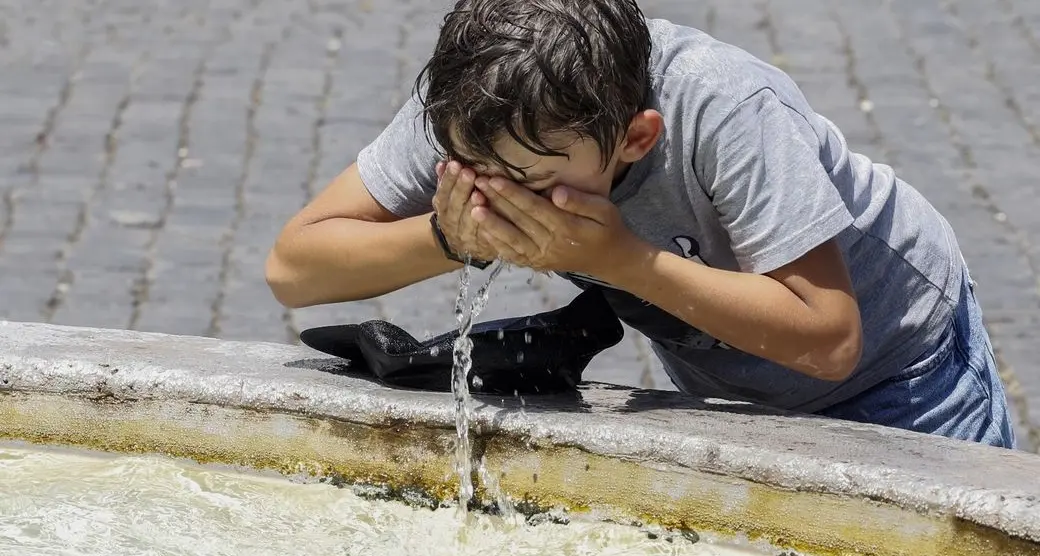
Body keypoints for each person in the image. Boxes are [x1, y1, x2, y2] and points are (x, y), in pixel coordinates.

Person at [265, 0, 1017, 449]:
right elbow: (293, 271)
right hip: (730, 380)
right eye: (470, 165)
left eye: (530, 179)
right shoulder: (484, 106)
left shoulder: (727, 108)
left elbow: (830, 340)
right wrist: (445, 237)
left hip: (904, 369)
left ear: (636, 139)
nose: (495, 191)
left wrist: (625, 260)